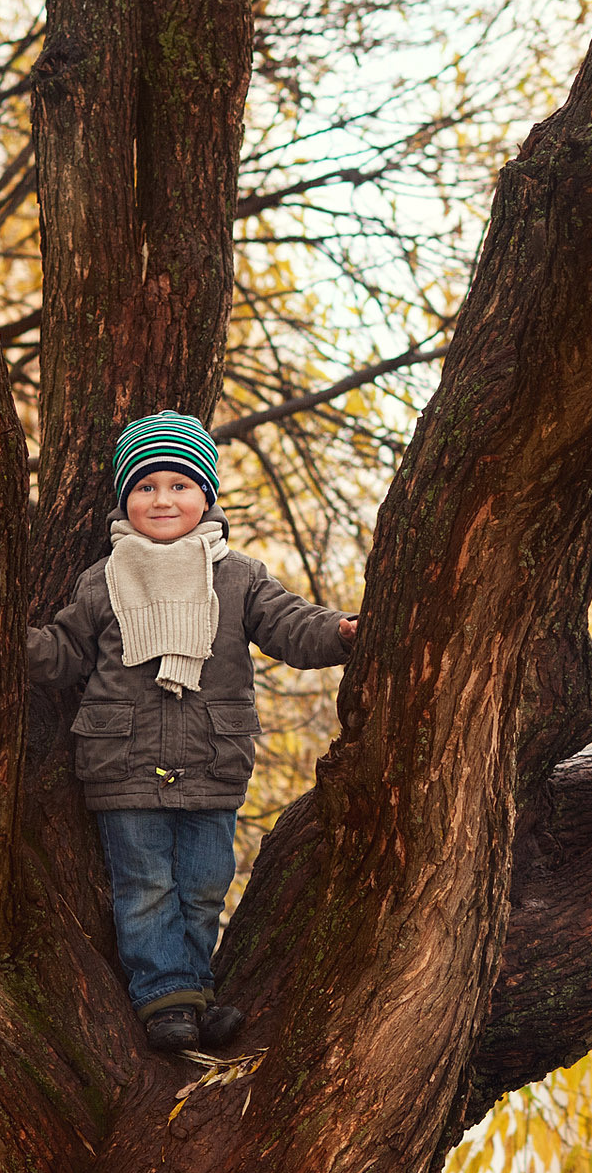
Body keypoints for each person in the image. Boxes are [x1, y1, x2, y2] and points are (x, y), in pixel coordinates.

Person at [27, 411, 358, 1053]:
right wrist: (3, 641)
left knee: (203, 885)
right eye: (146, 487)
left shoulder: (238, 577)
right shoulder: (102, 581)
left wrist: (340, 632)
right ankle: (165, 999)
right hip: (122, 762)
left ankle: (195, 989)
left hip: (212, 760)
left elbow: (291, 625)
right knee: (146, 886)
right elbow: (64, 651)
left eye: (179, 485)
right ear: (126, 498)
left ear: (207, 496)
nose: (163, 500)